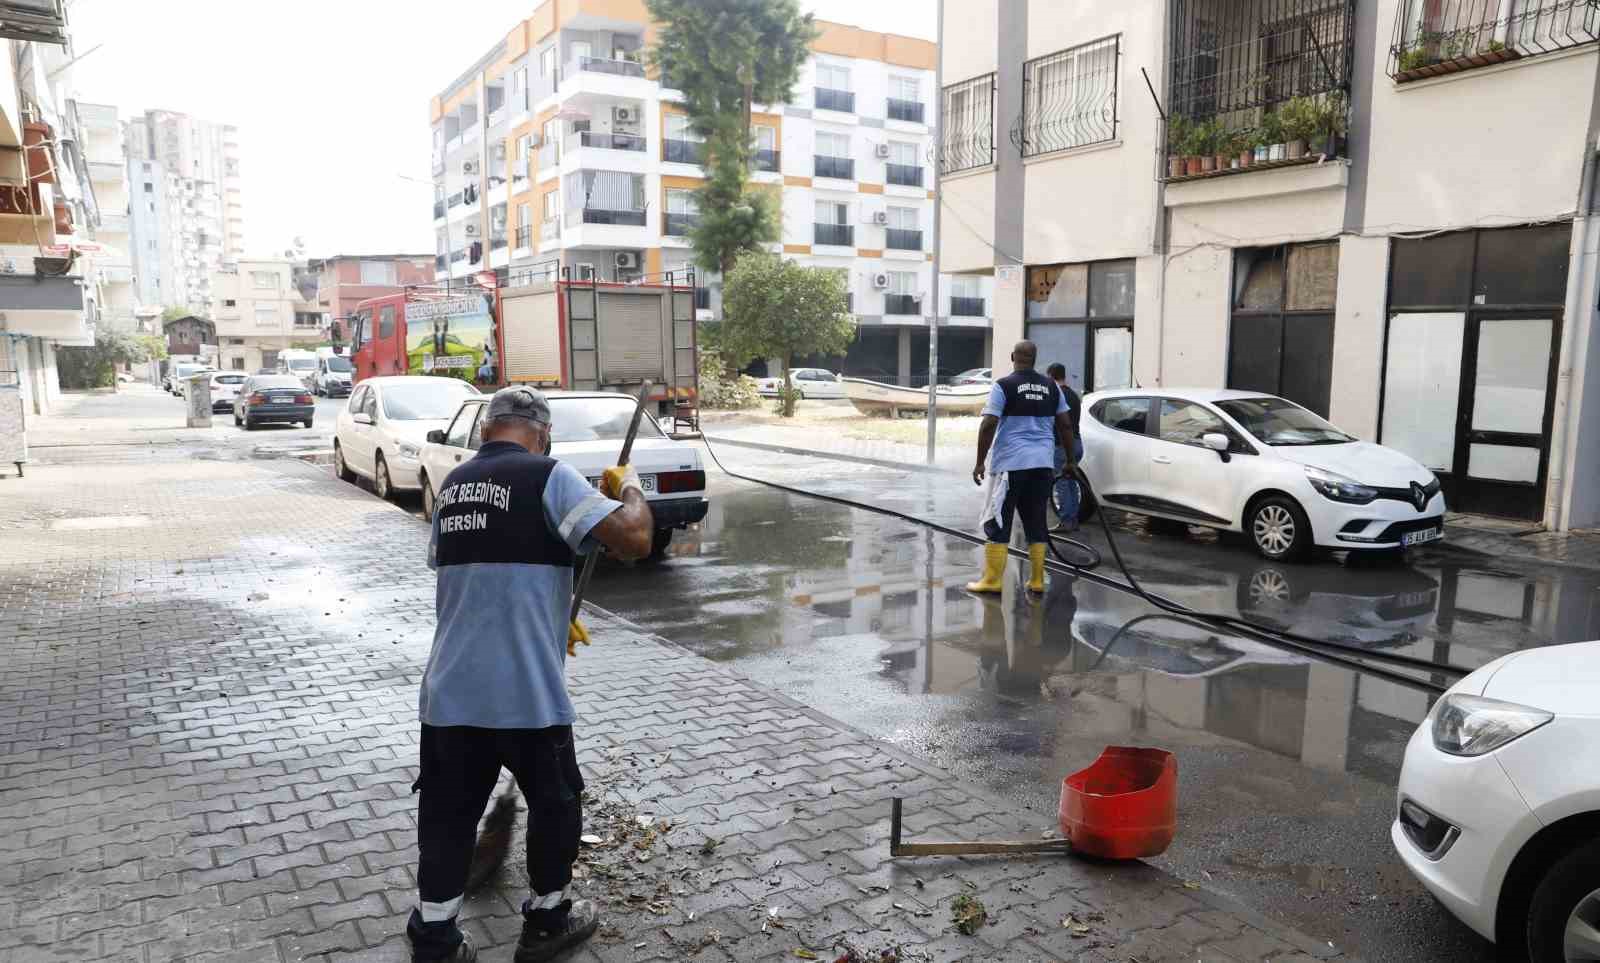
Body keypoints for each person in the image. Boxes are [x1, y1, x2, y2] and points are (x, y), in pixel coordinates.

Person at [407, 385, 654, 963]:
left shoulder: (453, 486)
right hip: (527, 696)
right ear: (543, 433)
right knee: (557, 806)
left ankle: (435, 939)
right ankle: (546, 924)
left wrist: (545, 618)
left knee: (446, 819)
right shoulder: (549, 475)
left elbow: (473, 577)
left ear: (487, 429)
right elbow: (635, 540)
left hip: (451, 692)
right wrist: (629, 489)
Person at [969, 341, 1074, 596]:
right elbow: (1065, 425)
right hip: (1042, 464)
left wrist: (980, 461)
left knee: (998, 519)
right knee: (1036, 520)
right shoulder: (1051, 387)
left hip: (1011, 465)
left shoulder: (1003, 385)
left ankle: (993, 581)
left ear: (1013, 356)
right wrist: (1070, 461)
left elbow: (988, 424)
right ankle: (1037, 580)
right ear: (1035, 359)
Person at [1045, 363, 1084, 532]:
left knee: (1061, 483)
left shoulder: (1057, 394)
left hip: (1063, 445)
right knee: (1071, 482)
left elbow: (1060, 424)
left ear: (1051, 376)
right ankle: (1073, 520)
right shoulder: (1073, 395)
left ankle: (1066, 521)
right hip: (1077, 443)